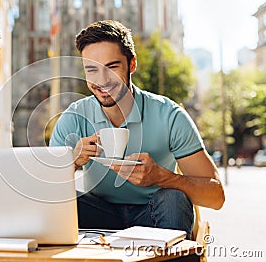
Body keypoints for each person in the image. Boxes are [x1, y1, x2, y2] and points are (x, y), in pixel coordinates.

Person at [50, 20, 225, 237]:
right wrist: (72, 161)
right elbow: (44, 189)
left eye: (112, 67)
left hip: (155, 215)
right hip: (97, 213)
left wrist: (163, 178)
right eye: (92, 69)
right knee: (62, 199)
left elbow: (216, 196)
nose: (102, 80)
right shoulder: (74, 117)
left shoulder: (168, 115)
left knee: (174, 198)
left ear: (132, 64)